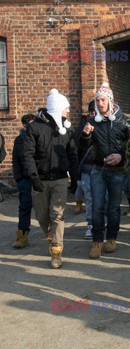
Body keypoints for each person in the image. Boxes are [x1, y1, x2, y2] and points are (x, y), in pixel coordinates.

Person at [22, 89, 79, 268]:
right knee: (41, 215)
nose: (68, 112)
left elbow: (72, 154)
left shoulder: (66, 129)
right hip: (39, 180)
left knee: (57, 214)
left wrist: (75, 176)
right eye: (66, 109)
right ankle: (51, 234)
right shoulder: (34, 128)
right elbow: (27, 155)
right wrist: (33, 177)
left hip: (60, 179)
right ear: (57, 108)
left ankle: (56, 250)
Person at [81, 82, 130, 259]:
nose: (100, 103)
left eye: (103, 100)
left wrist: (121, 156)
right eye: (97, 100)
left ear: (110, 100)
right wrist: (86, 135)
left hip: (117, 171)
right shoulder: (92, 121)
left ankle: (111, 238)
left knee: (114, 207)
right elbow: (84, 146)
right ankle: (96, 242)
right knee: (97, 206)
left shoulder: (123, 121)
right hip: (98, 170)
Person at [12, 114, 35, 248]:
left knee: (44, 208)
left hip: (39, 177)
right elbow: (15, 160)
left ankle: (51, 233)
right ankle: (22, 235)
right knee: (24, 207)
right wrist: (19, 178)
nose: (28, 127)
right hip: (25, 179)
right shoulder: (19, 140)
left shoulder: (39, 137)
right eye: (26, 125)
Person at [74, 100, 96, 239]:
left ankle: (100, 221)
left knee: (103, 199)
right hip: (87, 168)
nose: (94, 115)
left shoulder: (106, 123)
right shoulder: (82, 125)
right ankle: (91, 224)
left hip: (103, 167)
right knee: (89, 198)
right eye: (92, 112)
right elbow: (77, 146)